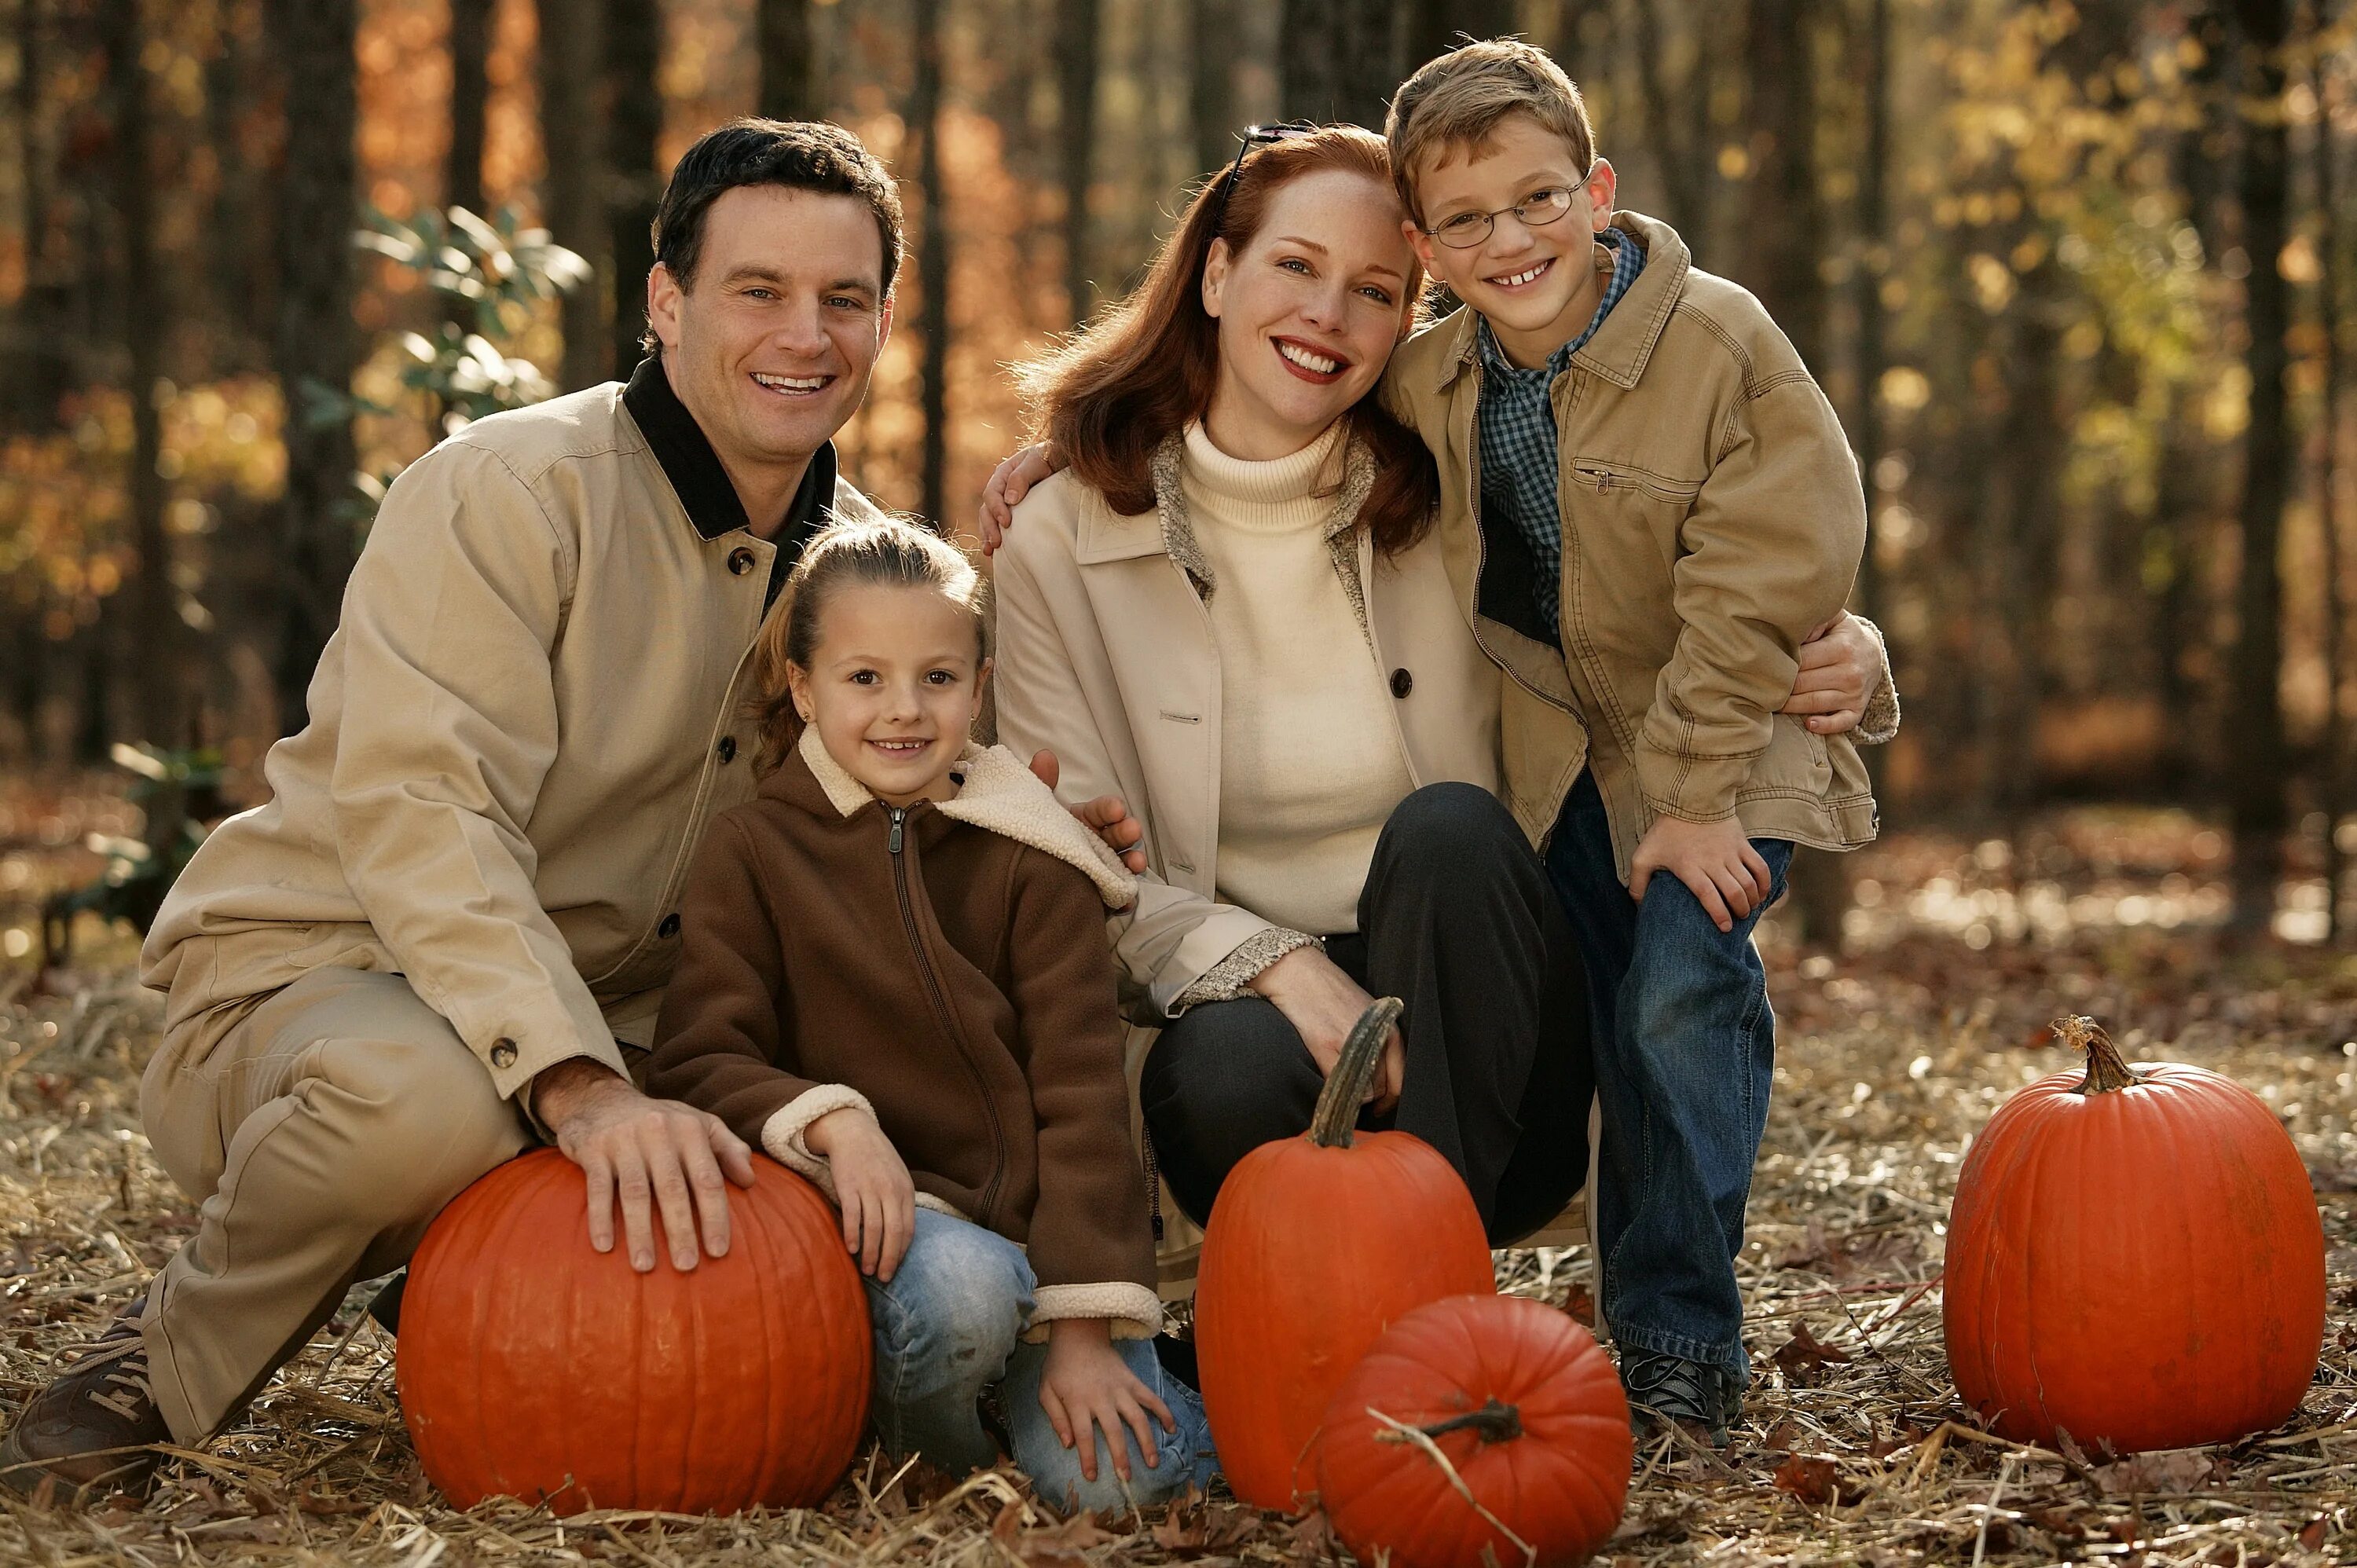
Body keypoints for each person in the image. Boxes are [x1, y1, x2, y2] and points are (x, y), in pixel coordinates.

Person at [0, 119, 1141, 1503]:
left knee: (824, 1123)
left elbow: (917, 805)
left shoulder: (869, 585)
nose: (807, 333)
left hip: (645, 1038)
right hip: (326, 983)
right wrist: (580, 1086)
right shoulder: (507, 492)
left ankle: (488, 1287)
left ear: (887, 318)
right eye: (756, 290)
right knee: (437, 1102)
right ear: (663, 303)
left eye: (845, 298)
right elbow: (430, 818)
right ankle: (146, 1371)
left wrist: (1046, 832)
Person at [980, 127, 1893, 1285]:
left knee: (1451, 831)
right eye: (1295, 268)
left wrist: (1846, 649)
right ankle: (1326, 1302)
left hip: (1501, 1021)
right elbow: (1076, 864)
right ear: (1216, 275)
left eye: (1374, 291)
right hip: (1262, 1010)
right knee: (1216, 1067)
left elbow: (1665, 601)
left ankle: (1432, 1298)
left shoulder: (1462, 482)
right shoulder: (1058, 537)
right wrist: (1277, 963)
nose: (1327, 315)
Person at [1380, 38, 1886, 1443]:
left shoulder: (1718, 340)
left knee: (1677, 985)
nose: (1512, 240)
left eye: (1540, 199)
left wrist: (1700, 793)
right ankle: (1545, 1295)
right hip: (1558, 759)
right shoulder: (1429, 380)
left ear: (1598, 190)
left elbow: (1767, 572)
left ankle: (1678, 1343)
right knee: (1607, 1021)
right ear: (1424, 246)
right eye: (1468, 220)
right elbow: (1262, 417)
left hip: (1728, 738)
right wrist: (1083, 446)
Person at [643, 518, 1211, 1514]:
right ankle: (921, 1462)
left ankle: (1061, 1396)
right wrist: (834, 1118)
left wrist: (1081, 1330)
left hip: (1047, 1266)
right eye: (864, 678)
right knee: (964, 1298)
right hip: (875, 1245)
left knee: (1125, 1486)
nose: (904, 711)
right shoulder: (754, 851)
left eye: (938, 679)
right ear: (804, 686)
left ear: (978, 685)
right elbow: (698, 1060)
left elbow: (1082, 1098)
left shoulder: (1032, 856)